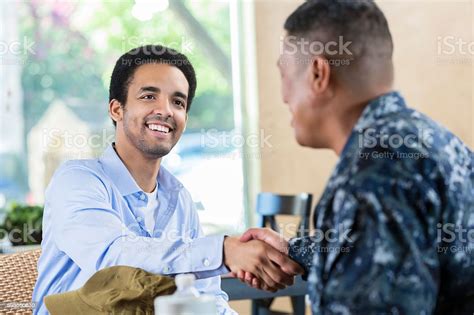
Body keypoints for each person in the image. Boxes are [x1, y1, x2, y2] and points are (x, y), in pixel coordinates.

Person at [238, 1, 474, 314]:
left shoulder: (369, 179)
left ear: (318, 73)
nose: (284, 96)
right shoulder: (436, 140)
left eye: (284, 73)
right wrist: (292, 251)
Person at [32, 45, 303, 315]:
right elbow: (113, 257)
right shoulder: (77, 180)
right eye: (149, 96)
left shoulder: (179, 199)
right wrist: (224, 250)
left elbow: (208, 297)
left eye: (178, 102)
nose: (165, 110)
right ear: (116, 109)